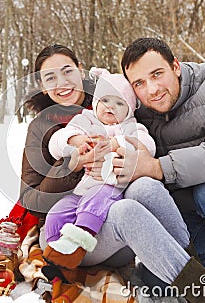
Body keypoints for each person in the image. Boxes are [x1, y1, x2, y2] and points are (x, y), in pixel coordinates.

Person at [19, 43, 205, 302]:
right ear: (43, 86)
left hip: (117, 232)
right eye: (50, 77)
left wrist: (127, 152)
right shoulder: (43, 127)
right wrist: (73, 163)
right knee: (125, 210)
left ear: (81, 70)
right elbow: (32, 202)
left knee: (144, 186)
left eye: (67, 71)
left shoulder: (118, 98)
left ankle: (188, 263)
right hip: (67, 229)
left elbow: (147, 147)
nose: (62, 82)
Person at [118, 37, 205, 280]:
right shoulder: (137, 111)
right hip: (191, 211)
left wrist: (157, 167)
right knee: (153, 283)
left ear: (175, 66)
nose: (151, 90)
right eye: (139, 83)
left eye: (157, 74)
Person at [42, 69, 156, 282]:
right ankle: (59, 260)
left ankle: (77, 243)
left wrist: (116, 143)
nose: (111, 106)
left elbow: (148, 145)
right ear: (95, 103)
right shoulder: (87, 121)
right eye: (105, 100)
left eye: (120, 103)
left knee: (95, 201)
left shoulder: (129, 126)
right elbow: (56, 141)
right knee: (57, 213)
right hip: (82, 189)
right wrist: (75, 140)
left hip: (111, 187)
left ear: (130, 109)